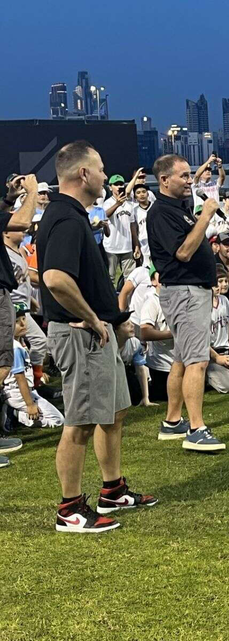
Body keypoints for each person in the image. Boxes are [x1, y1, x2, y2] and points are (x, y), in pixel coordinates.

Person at [37, 141, 156, 532]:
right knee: (81, 422)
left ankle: (112, 489)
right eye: (101, 168)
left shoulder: (71, 214)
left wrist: (111, 318)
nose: (105, 175)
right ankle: (69, 508)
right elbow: (55, 279)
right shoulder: (67, 218)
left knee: (114, 412)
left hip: (96, 332)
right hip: (80, 336)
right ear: (83, 174)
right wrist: (91, 317)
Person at [146, 154, 224, 451]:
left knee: (181, 358)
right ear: (164, 180)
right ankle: (196, 428)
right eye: (184, 176)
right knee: (197, 360)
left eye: (190, 175)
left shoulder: (178, 208)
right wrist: (205, 216)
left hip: (190, 290)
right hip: (185, 291)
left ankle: (172, 420)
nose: (190, 180)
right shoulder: (161, 213)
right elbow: (183, 252)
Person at [3, 303, 64, 428]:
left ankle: (15, 413)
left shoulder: (17, 343)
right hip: (18, 393)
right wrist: (30, 404)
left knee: (55, 417)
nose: (22, 324)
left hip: (19, 392)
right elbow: (20, 377)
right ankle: (14, 414)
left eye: (24, 319)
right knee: (57, 420)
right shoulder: (15, 347)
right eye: (16, 321)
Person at [4, 225, 48, 387]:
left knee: (19, 347)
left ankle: (25, 383)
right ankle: (35, 381)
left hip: (21, 304)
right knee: (39, 341)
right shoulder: (4, 254)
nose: (24, 230)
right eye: (18, 229)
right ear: (6, 232)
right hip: (12, 307)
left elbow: (21, 281)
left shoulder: (18, 250)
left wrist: (30, 299)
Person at [102, 174, 141, 287]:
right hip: (111, 247)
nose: (119, 187)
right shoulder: (107, 203)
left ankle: (127, 303)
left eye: (121, 184)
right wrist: (117, 204)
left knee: (130, 278)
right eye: (116, 184)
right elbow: (105, 216)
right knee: (110, 278)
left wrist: (136, 244)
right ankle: (111, 302)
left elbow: (132, 226)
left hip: (127, 246)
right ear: (110, 187)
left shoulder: (129, 205)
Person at [139, 274, 173, 404]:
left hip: (182, 361)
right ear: (153, 281)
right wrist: (173, 334)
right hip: (161, 365)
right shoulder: (152, 302)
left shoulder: (179, 299)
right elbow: (145, 332)